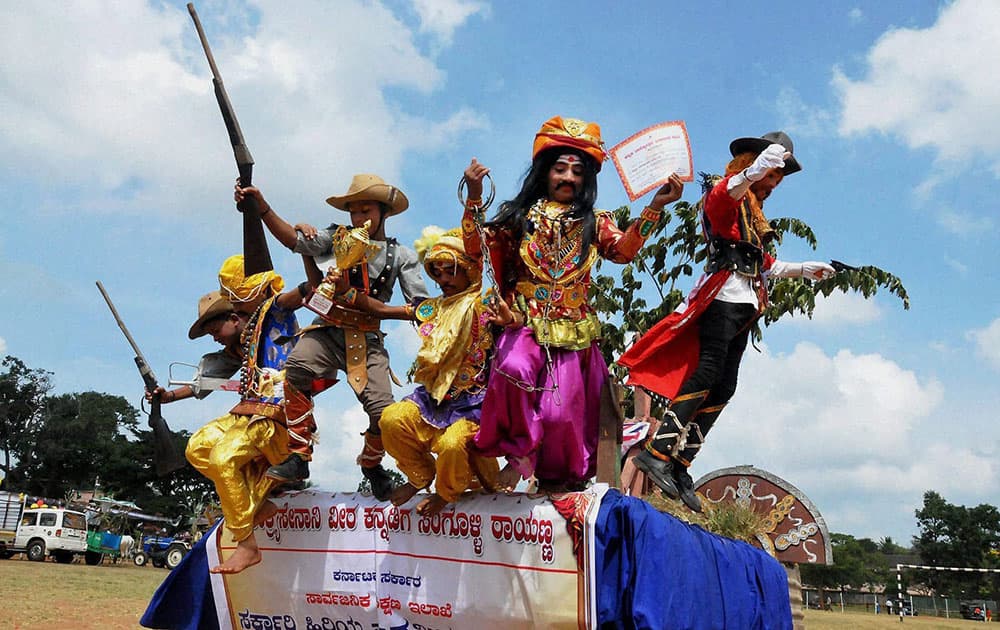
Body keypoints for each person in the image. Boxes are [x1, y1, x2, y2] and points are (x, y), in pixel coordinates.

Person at [460, 116, 684, 492]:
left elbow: (624, 252)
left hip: (573, 332)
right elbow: (473, 248)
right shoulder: (518, 218)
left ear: (586, 179)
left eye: (577, 171)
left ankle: (555, 485)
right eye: (560, 168)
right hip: (523, 323)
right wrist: (474, 196)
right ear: (545, 173)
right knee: (513, 367)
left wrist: (655, 206)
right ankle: (519, 455)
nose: (567, 177)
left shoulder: (595, 223)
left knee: (562, 417)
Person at [620, 131, 836, 512]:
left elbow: (764, 265)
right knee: (707, 371)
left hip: (746, 302)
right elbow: (725, 194)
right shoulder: (726, 195)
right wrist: (755, 170)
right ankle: (656, 452)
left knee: (726, 384)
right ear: (753, 165)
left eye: (777, 178)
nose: (773, 184)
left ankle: (680, 463)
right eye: (772, 175)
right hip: (721, 298)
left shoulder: (750, 214)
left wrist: (803, 269)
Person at [235, 176, 430, 500]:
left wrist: (418, 316)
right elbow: (292, 240)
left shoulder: (402, 255)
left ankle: (371, 462)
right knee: (297, 366)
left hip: (367, 337)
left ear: (384, 212)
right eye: (353, 212)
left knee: (384, 412)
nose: (358, 218)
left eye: (366, 210)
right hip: (327, 328)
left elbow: (420, 304)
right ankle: (298, 454)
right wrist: (261, 207)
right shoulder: (334, 238)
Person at [328, 226, 504, 515]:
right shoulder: (430, 309)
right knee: (391, 420)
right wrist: (345, 293)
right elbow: (383, 311)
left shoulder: (485, 305)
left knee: (451, 444)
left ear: (471, 270)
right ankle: (421, 475)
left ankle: (446, 493)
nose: (444, 279)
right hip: (433, 400)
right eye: (438, 273)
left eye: (451, 271)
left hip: (474, 404)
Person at [176, 255, 310, 574]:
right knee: (197, 448)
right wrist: (166, 396)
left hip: (276, 416)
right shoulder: (243, 343)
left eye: (216, 328)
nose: (215, 337)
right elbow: (204, 382)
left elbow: (304, 292)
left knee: (223, 459)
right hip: (247, 412)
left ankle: (247, 544)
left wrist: (305, 252)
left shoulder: (275, 312)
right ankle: (256, 504)